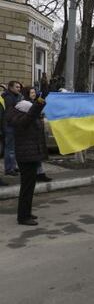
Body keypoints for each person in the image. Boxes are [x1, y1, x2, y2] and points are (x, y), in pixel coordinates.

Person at [7, 96, 48, 226]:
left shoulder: (29, 117)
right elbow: (29, 118)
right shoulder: (20, 118)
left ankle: (26, 213)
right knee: (26, 187)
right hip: (25, 157)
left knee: (30, 187)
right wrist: (38, 104)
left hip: (32, 156)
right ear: (25, 110)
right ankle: (23, 217)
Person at [23, 87, 53, 182]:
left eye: (34, 92)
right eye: (31, 92)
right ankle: (38, 174)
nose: (33, 94)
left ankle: (40, 173)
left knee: (37, 156)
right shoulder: (25, 104)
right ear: (26, 93)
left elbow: (39, 108)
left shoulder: (33, 102)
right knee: (34, 156)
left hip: (36, 133)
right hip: (31, 134)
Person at [2, 81, 22, 176]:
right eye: (17, 87)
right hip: (10, 125)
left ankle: (13, 166)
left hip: (13, 125)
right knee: (9, 148)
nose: (19, 88)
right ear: (10, 87)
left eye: (19, 87)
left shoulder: (15, 96)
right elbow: (10, 113)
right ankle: (9, 169)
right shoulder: (8, 97)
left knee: (13, 148)